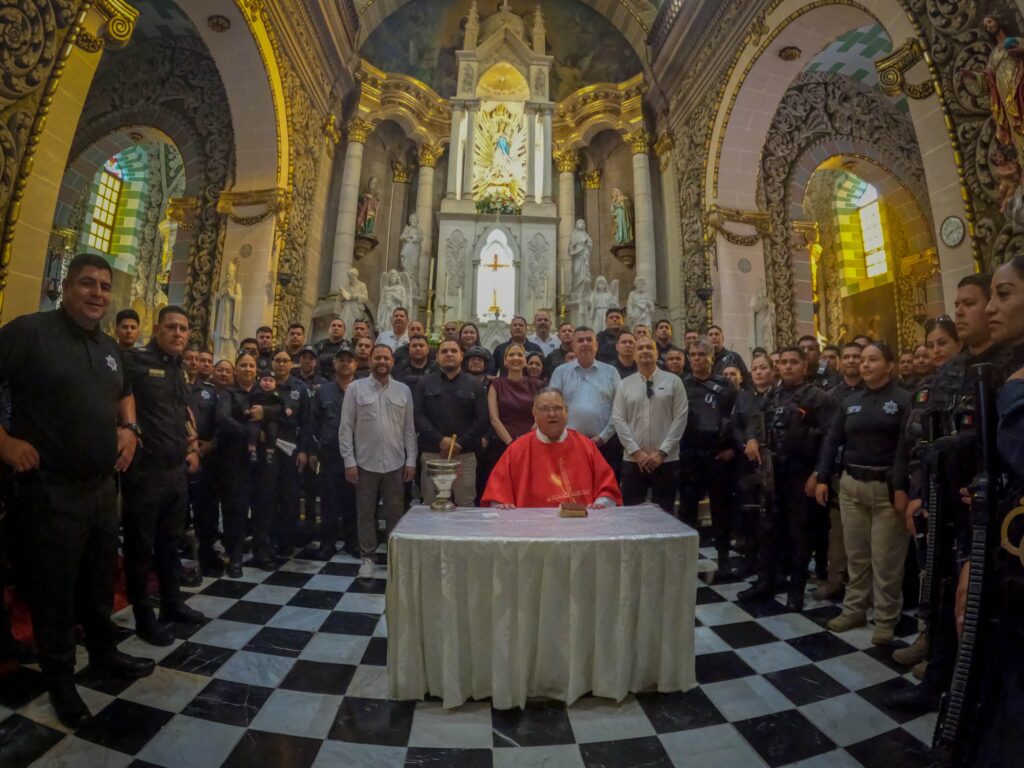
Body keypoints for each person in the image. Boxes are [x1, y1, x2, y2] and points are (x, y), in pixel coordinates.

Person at [0, 253, 154, 727]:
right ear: (66, 287)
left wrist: (130, 429)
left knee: (99, 581)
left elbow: (124, 391)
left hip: (101, 488)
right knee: (55, 592)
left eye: (105, 286)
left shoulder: (108, 345)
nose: (97, 293)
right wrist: (3, 442)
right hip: (51, 491)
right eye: (87, 283)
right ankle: (61, 682)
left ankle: (104, 653)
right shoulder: (29, 332)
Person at [121, 306, 206, 648]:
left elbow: (183, 413)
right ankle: (144, 617)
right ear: (157, 329)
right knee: (141, 548)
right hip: (146, 471)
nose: (178, 333)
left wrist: (192, 447)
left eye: (183, 329)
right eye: (171, 327)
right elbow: (117, 401)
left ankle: (172, 603)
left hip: (175, 471)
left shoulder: (178, 369)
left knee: (170, 543)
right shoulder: (136, 361)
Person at [815, 342, 911, 644]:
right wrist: (822, 476)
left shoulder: (903, 400)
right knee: (856, 555)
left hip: (886, 490)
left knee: (885, 559)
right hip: (851, 486)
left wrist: (901, 486)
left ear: (890, 365)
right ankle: (854, 609)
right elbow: (832, 441)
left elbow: (906, 447)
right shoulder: (850, 402)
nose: (866, 365)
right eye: (863, 360)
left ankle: (885, 618)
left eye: (873, 359)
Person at [739, 346, 831, 610]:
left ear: (804, 366)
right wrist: (752, 438)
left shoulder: (817, 397)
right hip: (773, 472)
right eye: (784, 362)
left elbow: (828, 439)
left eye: (794, 362)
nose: (788, 366)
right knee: (768, 529)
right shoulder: (774, 394)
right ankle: (766, 581)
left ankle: (796, 589)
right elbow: (755, 420)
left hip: (801, 473)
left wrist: (818, 474)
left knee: (799, 532)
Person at [339, 344, 417, 579]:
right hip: (365, 463)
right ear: (370, 360)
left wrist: (411, 460)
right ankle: (368, 558)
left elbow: (409, 429)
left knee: (395, 513)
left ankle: (394, 557)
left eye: (386, 358)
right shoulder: (355, 389)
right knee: (365, 513)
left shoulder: (403, 390)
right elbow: (346, 428)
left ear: (392, 362)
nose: (382, 361)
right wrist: (349, 461)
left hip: (396, 463)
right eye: (378, 357)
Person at [482, 388, 622, 508]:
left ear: (566, 411)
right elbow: (497, 495)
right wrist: (503, 507)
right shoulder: (517, 450)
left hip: (581, 526)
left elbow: (608, 489)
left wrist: (601, 504)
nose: (552, 414)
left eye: (557, 408)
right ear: (534, 414)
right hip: (531, 528)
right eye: (545, 409)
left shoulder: (586, 446)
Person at [680, 340, 742, 574]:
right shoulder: (682, 385)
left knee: (721, 509)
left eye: (702, 354)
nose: (697, 358)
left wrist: (733, 449)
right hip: (690, 456)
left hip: (719, 457)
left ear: (711, 358)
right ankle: (686, 559)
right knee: (687, 510)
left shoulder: (726, 386)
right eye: (693, 354)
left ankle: (723, 557)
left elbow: (738, 420)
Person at [812, 341, 865, 602]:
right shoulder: (831, 396)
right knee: (838, 531)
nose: (852, 360)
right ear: (841, 362)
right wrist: (821, 474)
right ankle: (835, 580)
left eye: (857, 356)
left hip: (867, 467)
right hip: (838, 470)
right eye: (848, 357)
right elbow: (826, 438)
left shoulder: (873, 390)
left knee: (866, 534)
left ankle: (863, 586)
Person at [613, 338, 688, 511]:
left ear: (656, 353)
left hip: (666, 460)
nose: (645, 351)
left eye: (649, 347)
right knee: (632, 513)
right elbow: (618, 419)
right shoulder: (625, 385)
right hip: (633, 461)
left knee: (665, 512)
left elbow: (680, 418)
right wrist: (636, 452)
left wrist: (662, 452)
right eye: (640, 348)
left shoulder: (674, 382)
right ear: (634, 355)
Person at [414, 340, 489, 507]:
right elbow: (418, 416)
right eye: (444, 351)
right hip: (433, 454)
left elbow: (482, 419)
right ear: (437, 357)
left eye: (454, 351)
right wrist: (440, 440)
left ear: (461, 356)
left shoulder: (475, 385)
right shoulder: (423, 383)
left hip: (465, 455)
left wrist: (458, 444)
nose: (449, 354)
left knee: (465, 504)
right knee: (431, 504)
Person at [305, 345, 358, 559]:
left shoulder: (362, 389)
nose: (345, 363)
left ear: (355, 364)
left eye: (349, 360)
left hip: (357, 455)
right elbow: (313, 421)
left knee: (353, 502)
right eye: (341, 360)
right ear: (334, 364)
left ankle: (353, 543)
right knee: (329, 501)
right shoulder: (323, 391)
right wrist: (312, 451)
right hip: (329, 454)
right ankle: (327, 543)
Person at [549, 326, 621, 475]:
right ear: (573, 346)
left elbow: (619, 408)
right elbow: (553, 406)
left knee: (604, 487)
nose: (585, 343)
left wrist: (603, 437)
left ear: (596, 345)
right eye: (580, 340)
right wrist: (567, 436)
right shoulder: (560, 372)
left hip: (605, 445)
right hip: (568, 444)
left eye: (589, 340)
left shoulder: (611, 372)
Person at [213, 352, 260, 575]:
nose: (248, 369)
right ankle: (235, 556)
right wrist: (248, 433)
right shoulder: (228, 394)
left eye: (251, 365)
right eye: (243, 365)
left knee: (262, 506)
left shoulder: (262, 392)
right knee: (235, 509)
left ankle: (261, 551)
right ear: (236, 370)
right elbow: (222, 418)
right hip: (234, 460)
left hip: (261, 461)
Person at [487, 343, 546, 472]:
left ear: (525, 361)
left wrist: (524, 442)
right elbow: (494, 419)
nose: (515, 358)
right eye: (511, 354)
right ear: (505, 361)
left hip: (532, 443)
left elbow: (540, 416)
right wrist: (511, 443)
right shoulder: (496, 385)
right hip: (502, 444)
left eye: (520, 355)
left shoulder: (537, 385)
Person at [188, 351, 222, 577]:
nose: (195, 363)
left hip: (206, 458)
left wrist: (211, 445)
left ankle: (207, 554)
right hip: (178, 456)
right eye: (190, 359)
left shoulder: (210, 391)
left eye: (199, 359)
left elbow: (220, 421)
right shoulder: (174, 387)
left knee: (206, 509)